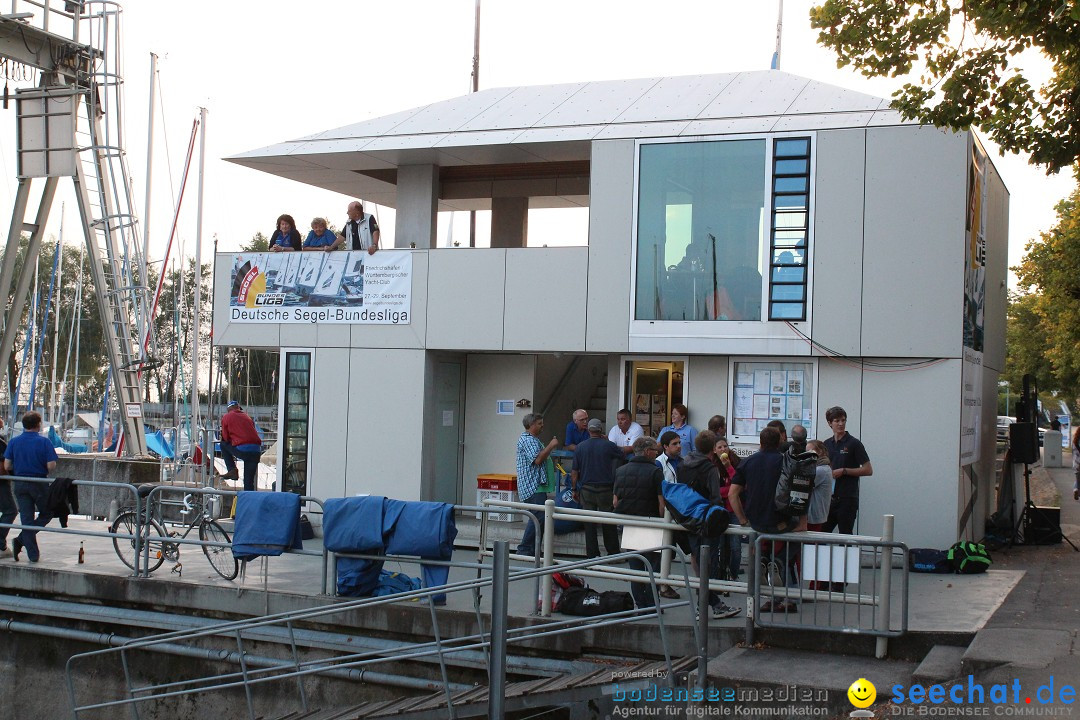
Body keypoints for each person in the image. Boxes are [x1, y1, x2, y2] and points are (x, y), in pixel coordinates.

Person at [677, 430, 740, 619]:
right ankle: (706, 606)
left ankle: (711, 604)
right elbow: (715, 497)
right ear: (713, 449)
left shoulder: (684, 463)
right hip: (706, 519)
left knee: (698, 561)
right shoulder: (709, 468)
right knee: (708, 564)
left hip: (688, 517)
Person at [613, 436, 666, 608]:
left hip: (630, 523)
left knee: (635, 567)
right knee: (653, 567)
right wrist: (662, 521)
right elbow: (661, 503)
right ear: (648, 451)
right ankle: (652, 604)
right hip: (651, 523)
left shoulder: (621, 470)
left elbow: (615, 501)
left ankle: (640, 604)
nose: (656, 454)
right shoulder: (655, 472)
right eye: (655, 451)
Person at [2, 412, 58, 562]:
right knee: (47, 513)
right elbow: (51, 465)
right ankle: (21, 540)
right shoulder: (44, 442)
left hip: (19, 482)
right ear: (38, 424)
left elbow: (7, 464)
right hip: (39, 483)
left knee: (26, 518)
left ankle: (32, 554)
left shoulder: (14, 442)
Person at [572, 419, 625, 558]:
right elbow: (622, 456)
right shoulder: (609, 446)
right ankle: (613, 553)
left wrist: (574, 489)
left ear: (588, 430)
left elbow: (574, 471)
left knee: (589, 524)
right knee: (608, 522)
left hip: (587, 489)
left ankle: (592, 554)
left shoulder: (580, 447)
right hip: (606, 490)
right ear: (601, 431)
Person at [821, 406, 873, 535]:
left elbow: (868, 470)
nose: (841, 424)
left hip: (847, 498)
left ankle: (846, 554)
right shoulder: (826, 444)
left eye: (843, 420)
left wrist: (844, 471)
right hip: (829, 498)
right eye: (837, 421)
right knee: (821, 534)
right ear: (829, 423)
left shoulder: (854, 443)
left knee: (845, 535)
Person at [515, 413, 559, 558]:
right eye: (539, 423)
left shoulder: (532, 439)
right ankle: (525, 547)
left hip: (537, 484)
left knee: (539, 516)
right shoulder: (528, 440)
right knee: (538, 516)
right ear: (532, 425)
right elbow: (538, 459)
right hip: (532, 485)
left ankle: (533, 549)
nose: (542, 426)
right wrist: (551, 446)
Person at [714, 437, 742, 580]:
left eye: (725, 446)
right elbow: (715, 490)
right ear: (714, 450)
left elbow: (740, 485)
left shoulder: (736, 463)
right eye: (720, 447)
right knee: (721, 545)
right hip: (719, 510)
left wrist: (728, 467)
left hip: (734, 510)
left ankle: (734, 574)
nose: (723, 449)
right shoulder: (712, 466)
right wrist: (730, 490)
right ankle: (721, 573)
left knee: (736, 547)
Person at [219, 401, 263, 492]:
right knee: (249, 482)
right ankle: (249, 501)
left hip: (243, 450)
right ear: (238, 408)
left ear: (228, 409)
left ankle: (232, 470)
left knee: (223, 444)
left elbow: (225, 438)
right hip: (256, 451)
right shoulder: (247, 417)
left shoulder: (226, 417)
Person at [805, 440, 833, 532]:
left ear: (820, 452)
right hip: (814, 515)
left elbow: (804, 485)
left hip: (814, 516)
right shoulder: (821, 467)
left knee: (810, 544)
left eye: (810, 451)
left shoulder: (821, 470)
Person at [0, 417, 12, 557]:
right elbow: (5, 465)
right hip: (1, 482)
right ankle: (0, 544)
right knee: (10, 510)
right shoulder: (1, 443)